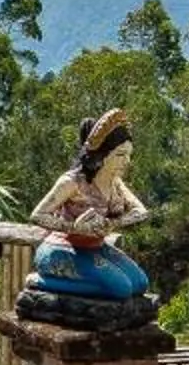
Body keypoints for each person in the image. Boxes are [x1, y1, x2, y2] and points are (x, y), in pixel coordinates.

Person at [26, 107, 153, 301]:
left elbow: (141, 211)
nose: (126, 161)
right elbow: (37, 215)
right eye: (120, 155)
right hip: (61, 249)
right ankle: (40, 281)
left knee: (140, 283)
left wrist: (113, 224)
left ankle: (94, 284)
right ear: (102, 155)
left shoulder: (115, 182)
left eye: (129, 155)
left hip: (94, 247)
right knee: (122, 289)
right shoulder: (72, 182)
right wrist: (74, 228)